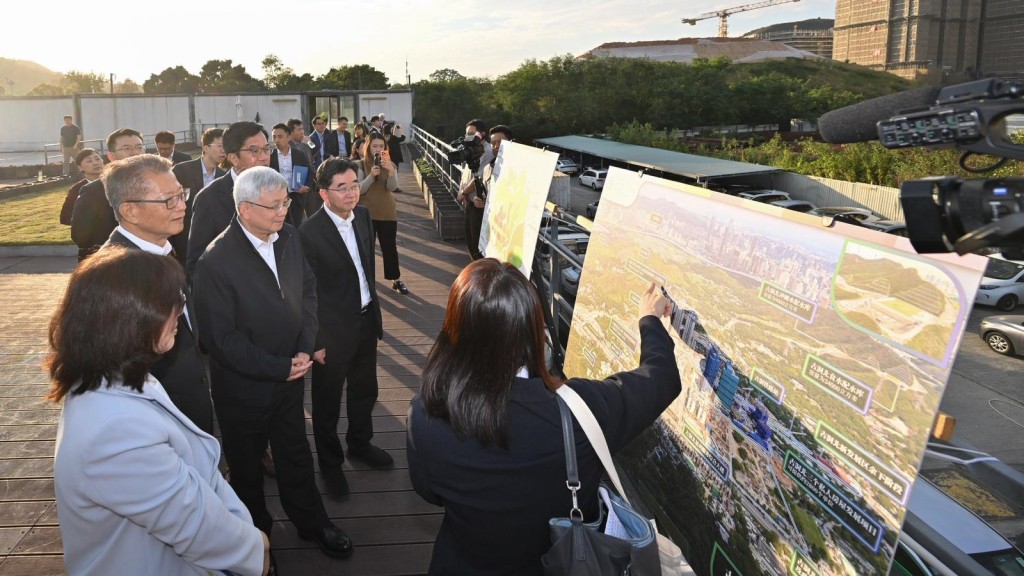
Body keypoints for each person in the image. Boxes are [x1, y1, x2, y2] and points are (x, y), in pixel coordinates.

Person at [407, 260, 682, 575]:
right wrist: (649, 319)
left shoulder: (425, 417)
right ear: (534, 333)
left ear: (454, 330)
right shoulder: (580, 410)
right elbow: (661, 378)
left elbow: (429, 492)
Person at [48, 247, 269, 576]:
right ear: (135, 319)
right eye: (173, 302)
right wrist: (255, 549)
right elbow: (191, 525)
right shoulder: (114, 432)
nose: (181, 311)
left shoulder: (114, 378)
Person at [193, 166, 353, 561]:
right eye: (274, 206)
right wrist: (278, 366)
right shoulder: (215, 262)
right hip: (244, 387)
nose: (283, 212)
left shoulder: (289, 238)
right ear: (245, 209)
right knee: (246, 469)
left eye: (285, 203)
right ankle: (254, 541)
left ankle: (312, 522)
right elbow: (220, 339)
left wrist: (303, 347)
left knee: (295, 453)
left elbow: (307, 293)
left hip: (290, 374)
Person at [97, 154, 214, 435]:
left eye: (181, 195)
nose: (182, 206)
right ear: (130, 211)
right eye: (168, 200)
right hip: (155, 426)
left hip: (187, 410)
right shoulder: (116, 275)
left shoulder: (161, 249)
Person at [299, 158, 390, 501]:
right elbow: (306, 295)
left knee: (365, 389)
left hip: (366, 320)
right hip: (331, 332)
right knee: (326, 403)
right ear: (324, 193)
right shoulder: (308, 233)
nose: (352, 192)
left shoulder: (364, 217)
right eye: (343, 187)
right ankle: (331, 464)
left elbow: (366, 268)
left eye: (355, 184)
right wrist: (316, 341)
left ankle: (360, 443)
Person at [186, 121, 271, 280]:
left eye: (266, 149)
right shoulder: (209, 199)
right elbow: (196, 263)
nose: (265, 157)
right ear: (233, 158)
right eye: (255, 151)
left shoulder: (277, 189)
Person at [70, 128, 146, 261]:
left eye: (139, 147)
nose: (134, 153)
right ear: (111, 156)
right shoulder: (93, 191)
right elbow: (80, 236)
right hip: (113, 264)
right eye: (126, 148)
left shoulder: (159, 185)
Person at [358, 133, 408, 294]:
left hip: (387, 211)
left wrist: (391, 172)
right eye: (374, 146)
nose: (378, 149)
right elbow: (359, 190)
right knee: (367, 249)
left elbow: (393, 188)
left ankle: (395, 279)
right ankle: (368, 281)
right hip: (366, 213)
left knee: (389, 248)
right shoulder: (359, 165)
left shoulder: (390, 164)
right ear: (368, 147)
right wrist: (371, 175)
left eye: (381, 146)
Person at [171, 127, 227, 267]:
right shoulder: (181, 170)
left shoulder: (224, 176)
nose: (223, 150)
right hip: (183, 238)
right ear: (206, 147)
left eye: (226, 147)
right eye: (220, 146)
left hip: (213, 241)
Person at [456, 120, 492, 261]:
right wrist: (461, 191)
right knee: (470, 241)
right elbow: (467, 174)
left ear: (481, 134)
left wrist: (463, 193)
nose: (467, 137)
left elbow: (478, 177)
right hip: (469, 202)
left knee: (477, 246)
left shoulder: (487, 151)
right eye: (466, 134)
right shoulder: (471, 150)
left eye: (471, 134)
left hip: (478, 205)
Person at [269, 123, 314, 227]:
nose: (276, 140)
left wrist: (306, 187)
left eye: (280, 137)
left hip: (296, 196)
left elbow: (310, 172)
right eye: (274, 137)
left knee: (297, 226)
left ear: (289, 137)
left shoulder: (299, 154)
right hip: (277, 199)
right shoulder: (270, 157)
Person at [58, 148, 104, 226]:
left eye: (97, 159)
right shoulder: (77, 189)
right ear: (80, 167)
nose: (95, 163)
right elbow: (65, 217)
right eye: (89, 161)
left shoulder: (116, 182)